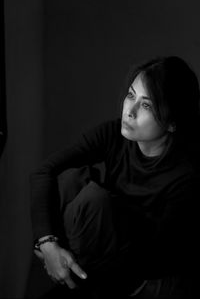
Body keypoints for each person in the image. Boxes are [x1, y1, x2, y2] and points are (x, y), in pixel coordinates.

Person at [30, 56, 200, 298]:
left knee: (93, 199)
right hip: (100, 257)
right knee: (70, 180)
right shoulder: (113, 135)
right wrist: (48, 245)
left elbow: (156, 260)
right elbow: (43, 172)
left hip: (146, 278)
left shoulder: (187, 175)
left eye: (147, 105)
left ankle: (70, 276)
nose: (129, 111)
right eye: (131, 95)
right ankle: (66, 269)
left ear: (172, 122)